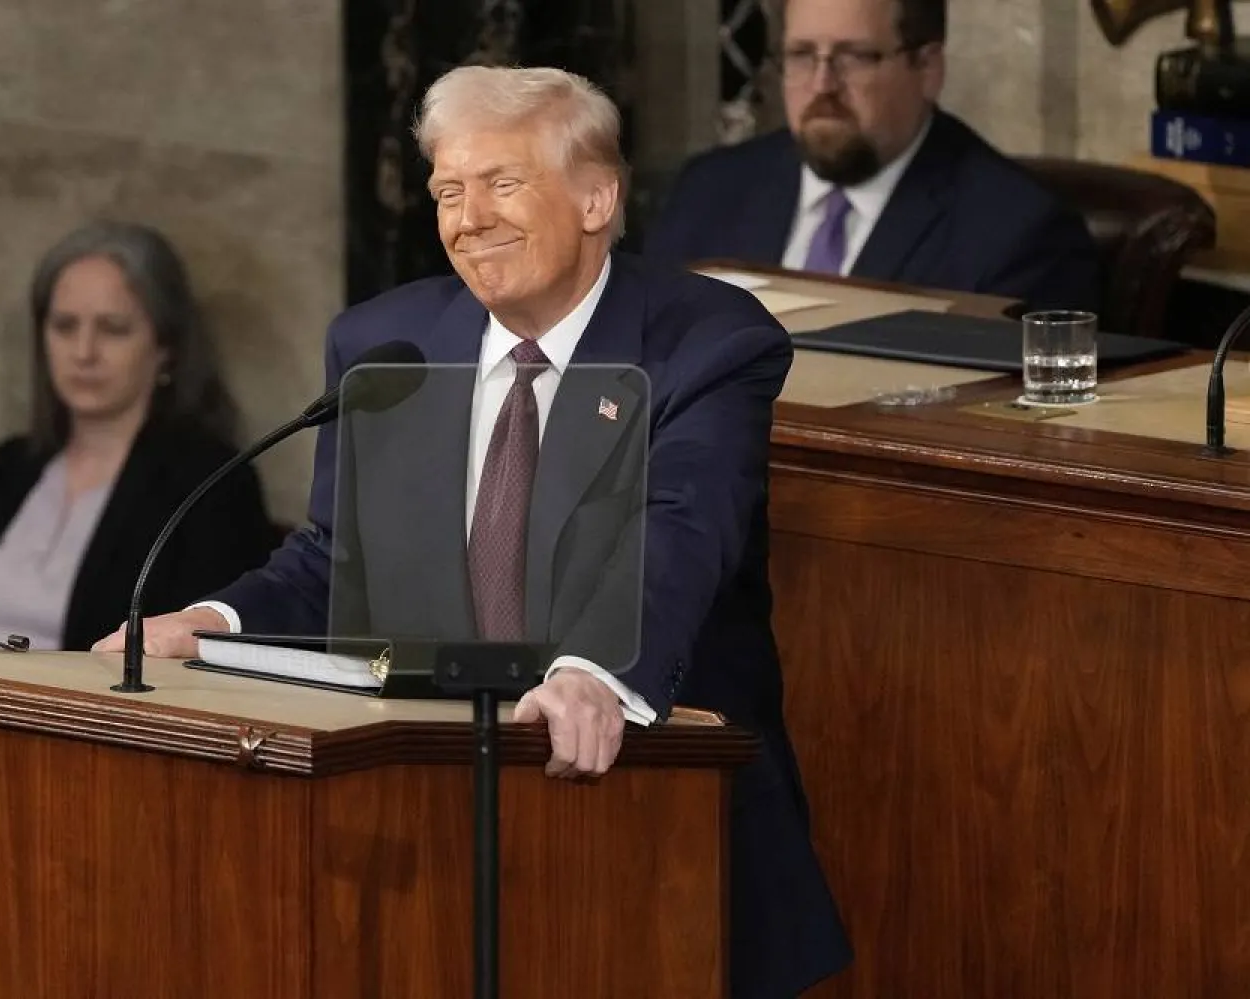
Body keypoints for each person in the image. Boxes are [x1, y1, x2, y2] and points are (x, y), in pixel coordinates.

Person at [97, 66, 851, 996]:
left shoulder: (706, 338)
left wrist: (593, 671)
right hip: (429, 827)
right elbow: (335, 556)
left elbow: (682, 529)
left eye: (502, 182)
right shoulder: (388, 340)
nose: (469, 217)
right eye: (448, 191)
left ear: (595, 196)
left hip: (662, 824)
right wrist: (206, 623)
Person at [0, 221, 280, 652]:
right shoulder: (6, 468)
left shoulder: (210, 484)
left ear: (165, 346)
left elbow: (207, 658)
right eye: (64, 326)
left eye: (113, 328)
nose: (83, 352)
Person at [644, 0, 1102, 314]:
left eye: (854, 57)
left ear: (927, 67)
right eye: (801, 55)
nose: (821, 85)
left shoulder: (1018, 234)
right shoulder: (710, 189)